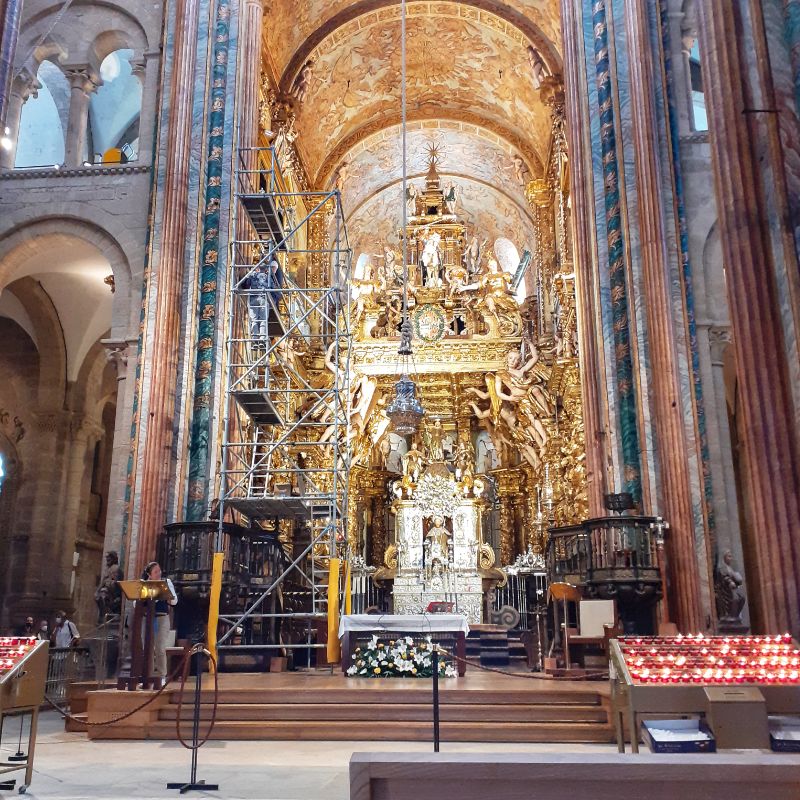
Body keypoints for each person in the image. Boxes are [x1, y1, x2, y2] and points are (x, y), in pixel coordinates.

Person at [141, 561, 178, 684]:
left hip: (162, 618)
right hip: (148, 619)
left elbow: (174, 602)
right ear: (149, 574)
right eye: (155, 572)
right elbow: (137, 604)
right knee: (147, 648)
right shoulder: (144, 584)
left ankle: (161, 676)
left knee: (160, 648)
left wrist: (168, 596)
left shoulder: (166, 583)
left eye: (159, 570)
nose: (159, 573)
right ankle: (148, 676)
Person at [95, 550, 122, 622]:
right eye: (106, 558)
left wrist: (108, 585)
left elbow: (117, 582)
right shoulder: (107, 569)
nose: (107, 560)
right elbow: (103, 581)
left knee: (103, 595)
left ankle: (106, 613)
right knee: (98, 597)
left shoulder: (116, 568)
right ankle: (103, 613)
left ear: (113, 558)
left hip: (114, 592)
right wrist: (97, 591)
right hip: (107, 589)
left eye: (109, 558)